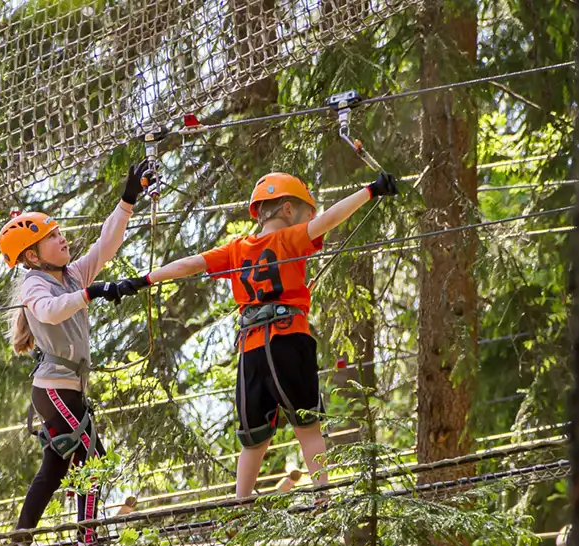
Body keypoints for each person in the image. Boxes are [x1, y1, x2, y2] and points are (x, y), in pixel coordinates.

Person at [109, 171, 398, 499]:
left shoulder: (236, 250)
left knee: (254, 438)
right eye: (307, 214)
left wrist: (146, 279)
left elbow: (189, 264)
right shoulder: (290, 239)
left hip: (251, 350)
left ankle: (241, 502)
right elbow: (331, 218)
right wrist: (370, 190)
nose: (310, 221)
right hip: (289, 339)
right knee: (308, 427)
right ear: (288, 210)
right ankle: (323, 495)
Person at [0, 159, 153, 546]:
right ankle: (85, 544)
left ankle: (18, 545)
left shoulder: (70, 275)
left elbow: (106, 245)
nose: (63, 240)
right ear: (31, 255)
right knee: (92, 457)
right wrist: (91, 294)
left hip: (67, 388)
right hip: (54, 387)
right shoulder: (36, 284)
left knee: (55, 467)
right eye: (53, 237)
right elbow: (48, 312)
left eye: (60, 233)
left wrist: (127, 200)